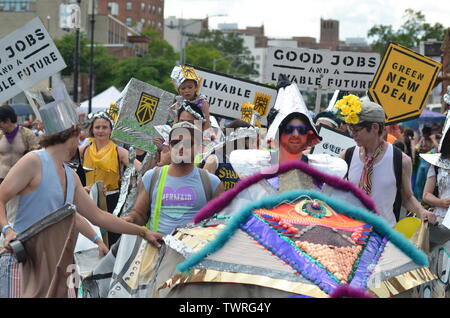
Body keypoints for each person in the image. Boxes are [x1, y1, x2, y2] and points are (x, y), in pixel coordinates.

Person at [0, 101, 163, 298]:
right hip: (25, 260)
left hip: (60, 264)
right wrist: (7, 230)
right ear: (70, 134)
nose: (80, 140)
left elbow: (98, 216)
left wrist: (143, 232)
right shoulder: (33, 161)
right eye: (78, 135)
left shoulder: (71, 176)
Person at [338, 97, 436, 227]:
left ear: (374, 127)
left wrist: (422, 211)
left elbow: (407, 198)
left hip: (384, 236)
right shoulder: (346, 156)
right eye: (350, 130)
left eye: (356, 130)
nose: (352, 135)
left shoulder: (400, 160)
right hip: (349, 233)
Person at [123, 121, 224, 235]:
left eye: (188, 143)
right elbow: (140, 214)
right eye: (175, 142)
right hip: (156, 248)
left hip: (193, 251)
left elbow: (218, 223)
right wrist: (130, 219)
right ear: (169, 146)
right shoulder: (152, 177)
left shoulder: (211, 183)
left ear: (198, 148)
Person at [79, 111, 142, 246]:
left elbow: (141, 168)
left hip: (111, 201)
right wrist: (81, 188)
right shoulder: (83, 150)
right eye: (97, 127)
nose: (101, 131)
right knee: (90, 243)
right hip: (88, 200)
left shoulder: (118, 151)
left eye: (104, 127)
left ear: (111, 130)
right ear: (92, 129)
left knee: (112, 241)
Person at [201, 119, 258, 190]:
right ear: (240, 141)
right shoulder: (214, 159)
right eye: (251, 142)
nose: (254, 146)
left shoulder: (242, 163)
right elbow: (203, 189)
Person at [0, 105, 40, 184]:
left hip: (21, 179)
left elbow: (38, 156)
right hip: (2, 179)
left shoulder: (27, 134)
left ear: (7, 121)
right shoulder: (0, 135)